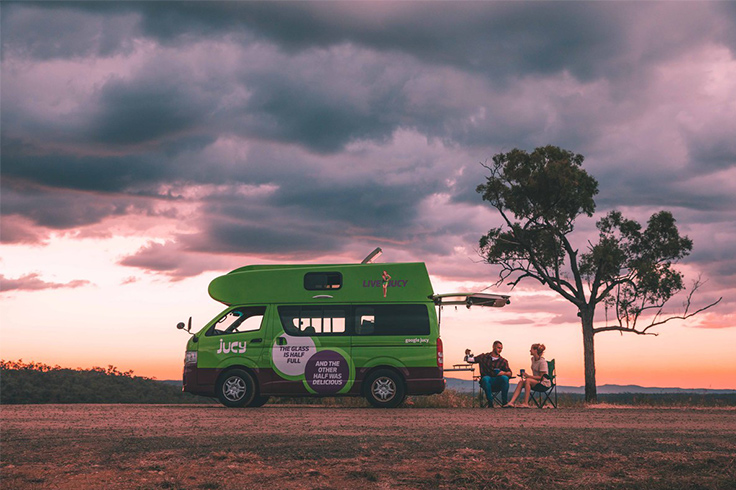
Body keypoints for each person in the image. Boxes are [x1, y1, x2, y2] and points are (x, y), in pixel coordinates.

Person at [464, 340, 512, 407]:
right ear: (493, 347)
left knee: (505, 378)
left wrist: (503, 373)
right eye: (498, 348)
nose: (500, 350)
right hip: (486, 382)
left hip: (498, 382)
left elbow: (510, 373)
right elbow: (471, 360)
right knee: (486, 378)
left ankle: (504, 403)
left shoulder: (503, 361)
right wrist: (467, 355)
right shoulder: (484, 357)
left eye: (501, 348)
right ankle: (490, 403)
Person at [504, 343, 551, 408]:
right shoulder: (533, 359)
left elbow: (541, 378)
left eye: (531, 349)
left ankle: (525, 403)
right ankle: (511, 402)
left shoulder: (542, 362)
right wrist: (525, 375)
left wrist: (528, 376)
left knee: (528, 380)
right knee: (521, 382)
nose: (530, 350)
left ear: (535, 350)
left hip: (544, 384)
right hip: (536, 382)